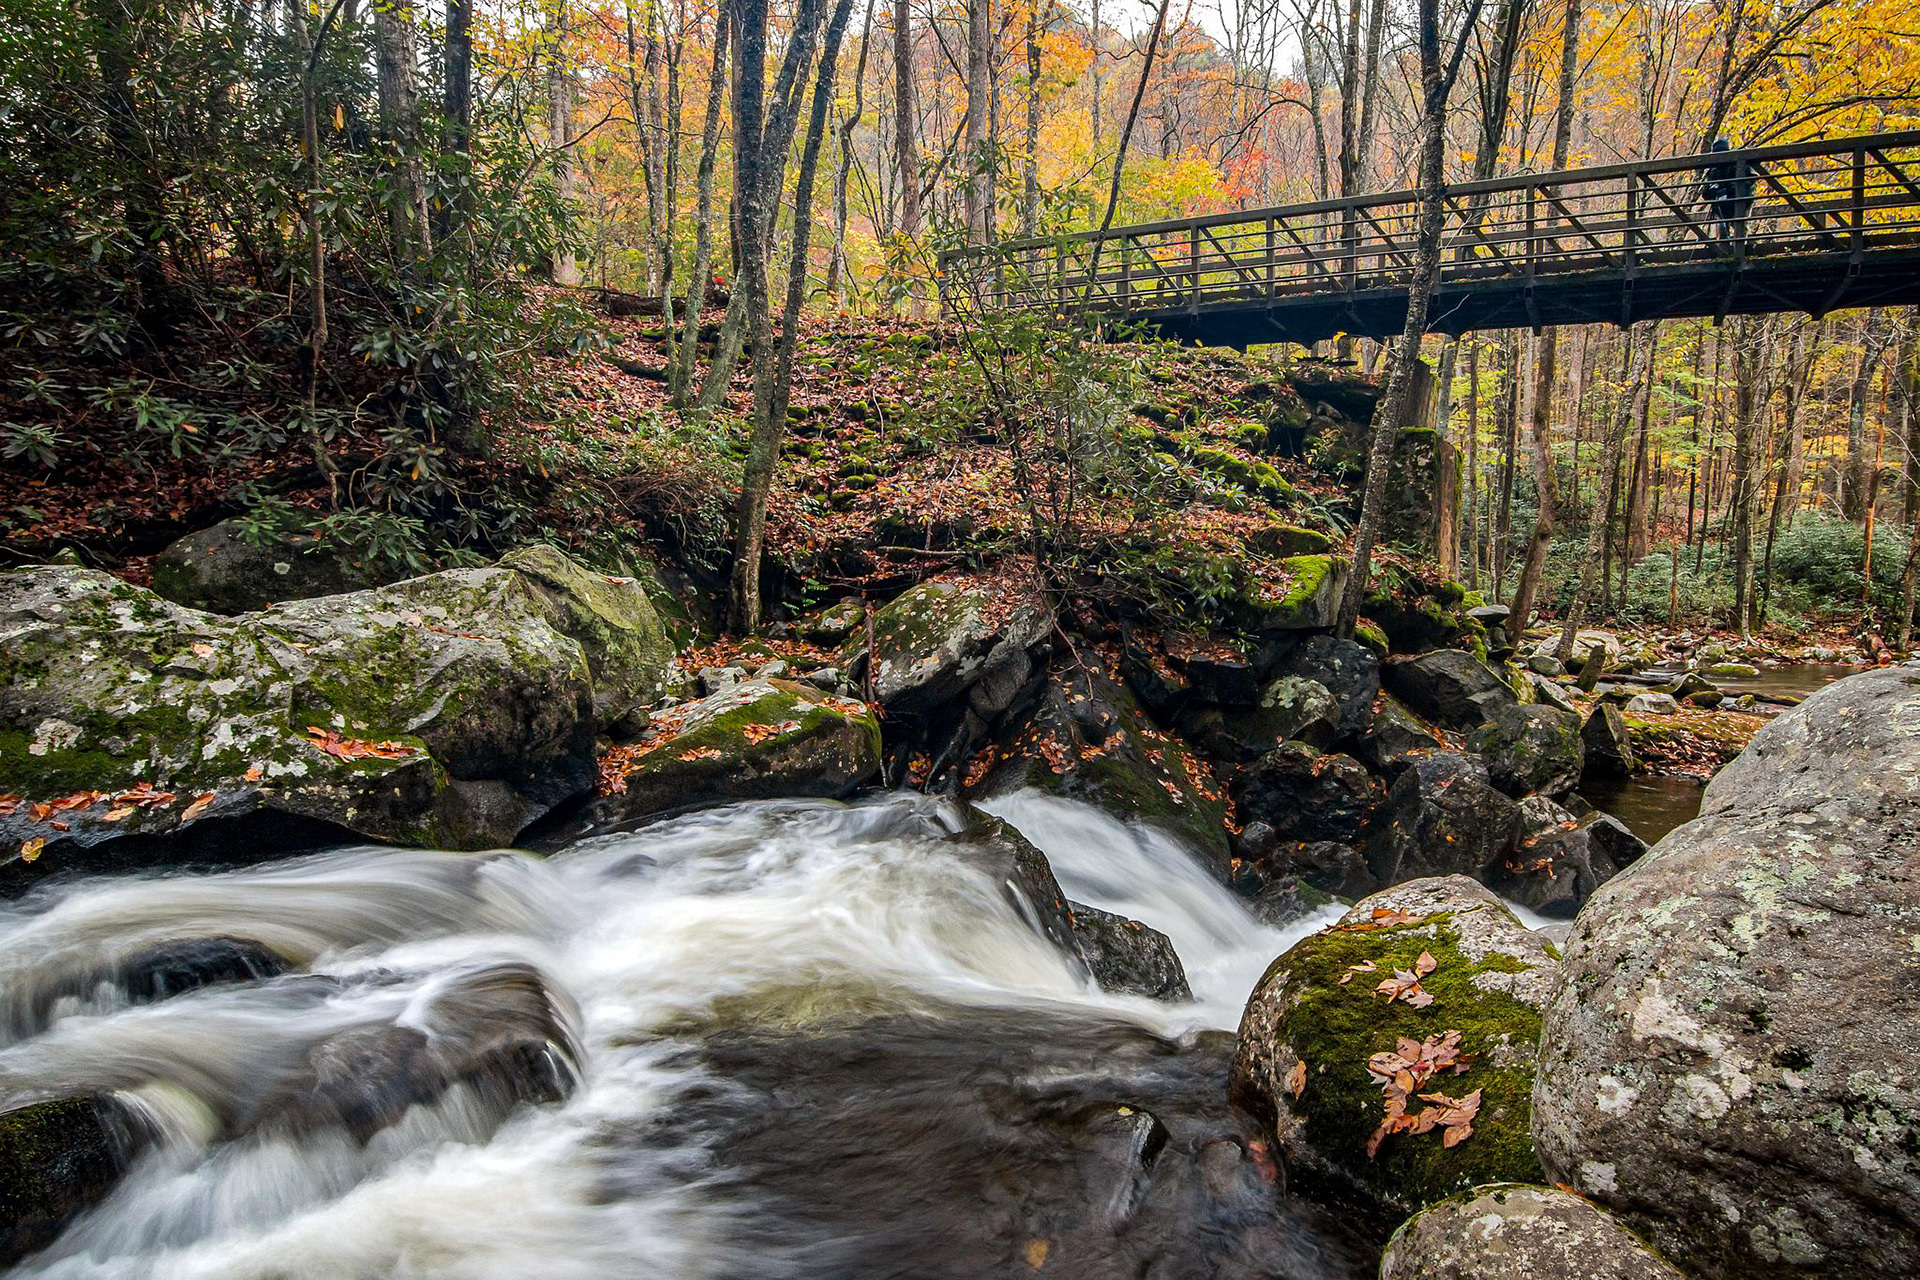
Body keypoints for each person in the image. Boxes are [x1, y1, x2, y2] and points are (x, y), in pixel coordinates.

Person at [1700, 137, 1755, 243]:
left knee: (1739, 226)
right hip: (1722, 205)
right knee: (1724, 230)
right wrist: (1713, 190)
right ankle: (1726, 251)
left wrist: (1730, 189)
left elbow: (1749, 181)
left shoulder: (1738, 164)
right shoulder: (1714, 170)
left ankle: (1740, 248)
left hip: (1737, 201)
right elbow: (1706, 193)